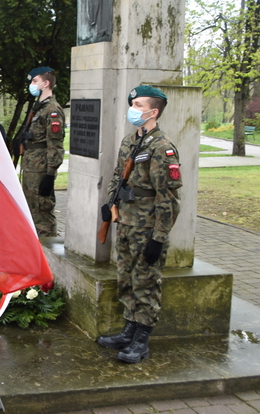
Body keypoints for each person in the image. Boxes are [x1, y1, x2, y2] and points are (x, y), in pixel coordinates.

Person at [96, 85, 182, 363]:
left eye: (139, 105)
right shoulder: (130, 141)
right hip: (126, 223)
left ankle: (142, 340)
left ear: (153, 112)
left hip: (147, 228)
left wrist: (159, 237)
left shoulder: (162, 148)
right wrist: (111, 204)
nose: (133, 108)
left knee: (145, 282)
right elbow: (116, 177)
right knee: (125, 277)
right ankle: (129, 329)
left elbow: (168, 198)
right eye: (132, 103)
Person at [20, 66, 66, 239]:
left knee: (42, 214)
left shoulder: (52, 110)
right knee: (32, 211)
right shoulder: (38, 107)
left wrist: (50, 174)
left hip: (41, 171)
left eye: (34, 81)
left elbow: (55, 144)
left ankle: (48, 255)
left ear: (45, 83)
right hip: (31, 167)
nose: (31, 85)